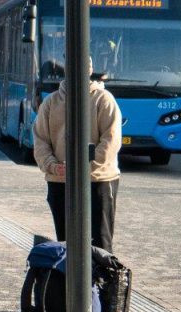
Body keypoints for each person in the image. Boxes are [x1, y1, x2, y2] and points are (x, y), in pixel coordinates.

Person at [32, 58, 123, 252]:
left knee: (100, 242)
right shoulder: (50, 103)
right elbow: (41, 141)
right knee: (66, 241)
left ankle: (100, 281)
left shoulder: (103, 99)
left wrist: (85, 167)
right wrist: (53, 166)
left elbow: (111, 141)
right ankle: (69, 281)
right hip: (60, 180)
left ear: (89, 71)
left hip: (98, 180)